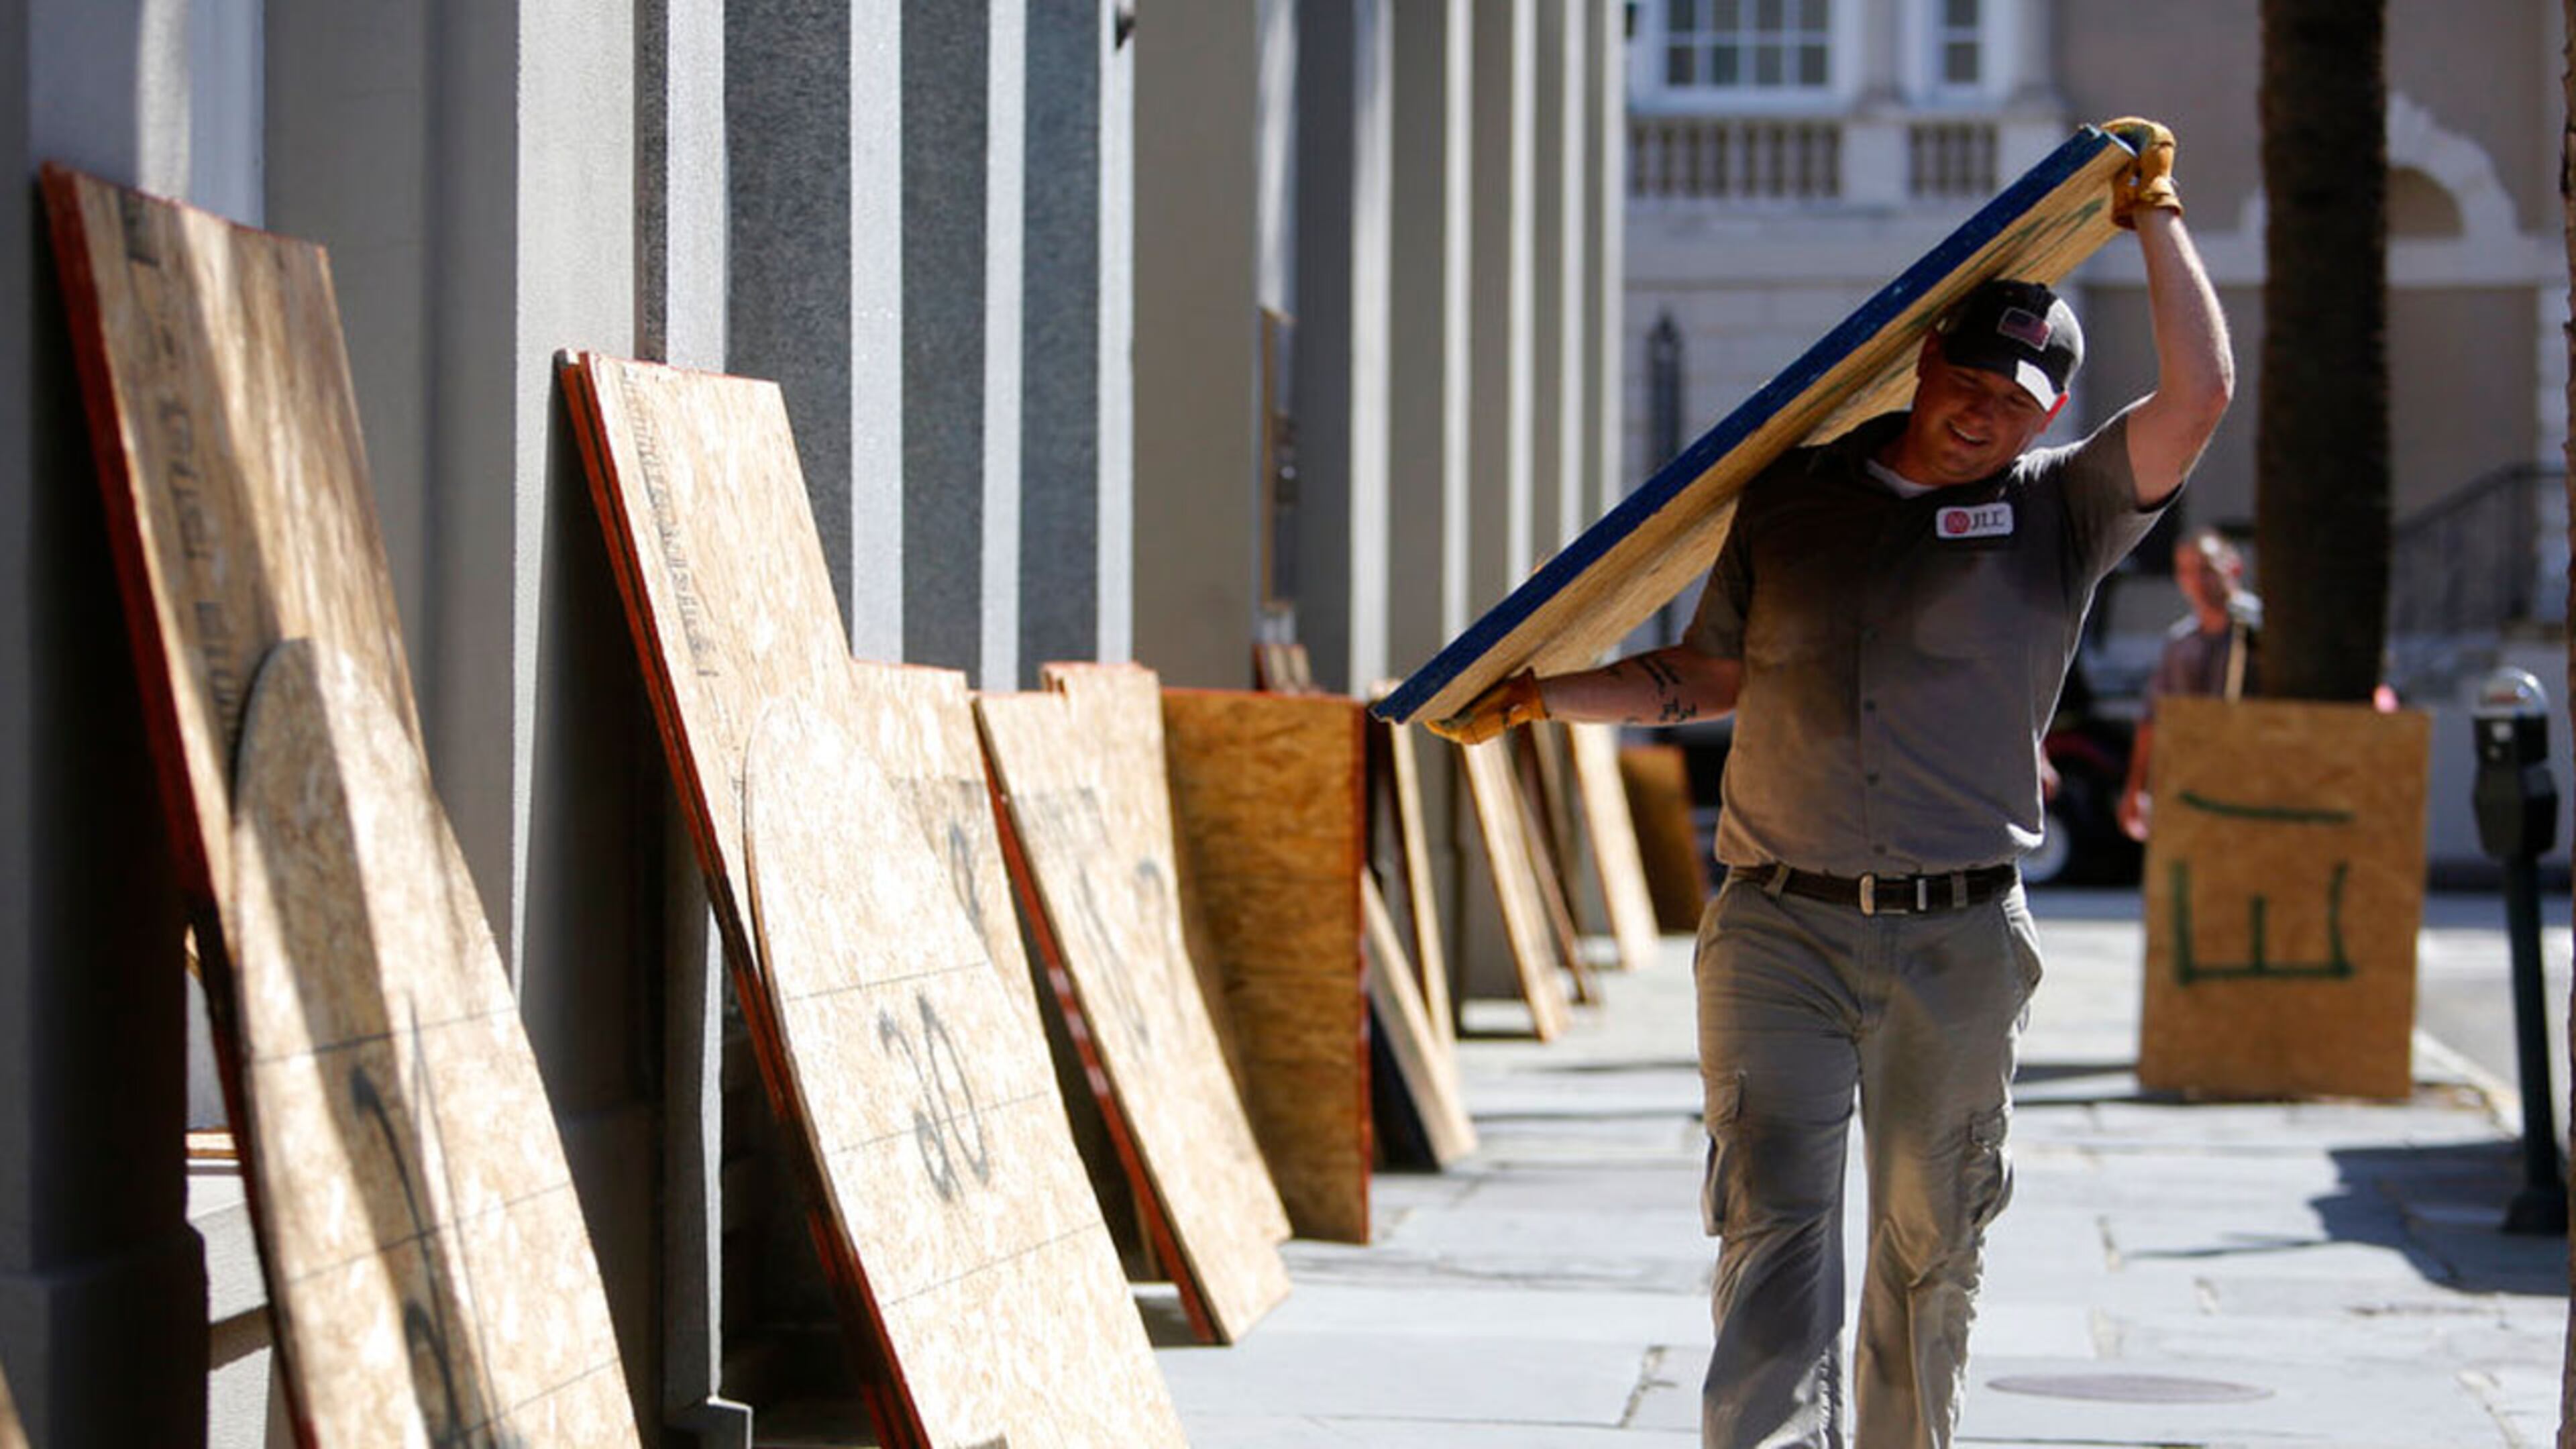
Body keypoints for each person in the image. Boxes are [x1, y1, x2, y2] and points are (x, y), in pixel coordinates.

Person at [1427, 119, 2232, 1448]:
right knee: (1770, 1236)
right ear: (1931, 362)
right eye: (1973, 383)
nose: (1985, 417)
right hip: (1776, 926)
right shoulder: (1792, 498)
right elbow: (1712, 672)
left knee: (1934, 1248)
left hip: (1959, 940)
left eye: (2018, 407)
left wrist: (2156, 217)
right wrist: (1544, 697)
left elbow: (2201, 397)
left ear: (2052, 420)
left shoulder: (2064, 512)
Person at [2117, 527, 2257, 843]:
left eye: (2207, 570)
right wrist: (2137, 789)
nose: (2197, 582)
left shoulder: (2256, 630)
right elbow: (2153, 717)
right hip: (2195, 780)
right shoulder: (2180, 643)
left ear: (2233, 568)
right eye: (2187, 572)